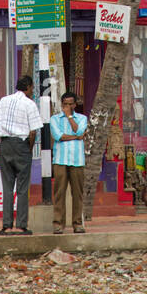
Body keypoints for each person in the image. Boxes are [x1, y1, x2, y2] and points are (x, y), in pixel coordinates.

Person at [0, 75, 42, 235]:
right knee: (22, 187)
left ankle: (6, 225)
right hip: (21, 145)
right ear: (27, 87)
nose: (32, 91)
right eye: (32, 88)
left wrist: (4, 137)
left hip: (5, 144)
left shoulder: (4, 100)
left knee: (7, 187)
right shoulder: (30, 104)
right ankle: (21, 225)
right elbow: (33, 131)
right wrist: (28, 148)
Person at [50, 91, 88, 235]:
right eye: (65, 104)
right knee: (59, 192)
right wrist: (77, 137)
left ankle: (77, 223)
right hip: (60, 159)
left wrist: (70, 117)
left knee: (77, 193)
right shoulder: (54, 119)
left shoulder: (82, 118)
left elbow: (79, 131)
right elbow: (58, 136)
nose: (68, 107)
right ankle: (58, 224)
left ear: (75, 104)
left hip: (77, 160)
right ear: (62, 104)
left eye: (70, 104)